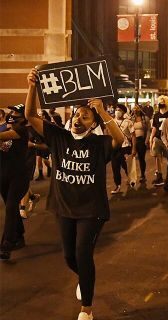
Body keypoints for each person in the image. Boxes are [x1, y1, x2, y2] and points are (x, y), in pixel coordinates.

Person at [25, 68, 125, 320]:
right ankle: (84, 277)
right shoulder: (58, 137)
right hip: (63, 207)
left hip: (91, 210)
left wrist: (101, 111)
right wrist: (32, 86)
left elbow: (120, 138)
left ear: (93, 125)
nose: (80, 118)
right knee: (70, 256)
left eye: (86, 117)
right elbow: (29, 115)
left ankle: (87, 309)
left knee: (82, 253)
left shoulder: (98, 144)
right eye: (78, 114)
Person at [0, 104, 31, 260]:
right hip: (4, 175)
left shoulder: (21, 130)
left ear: (23, 117)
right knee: (10, 208)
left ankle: (7, 245)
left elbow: (3, 137)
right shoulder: (5, 130)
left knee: (12, 206)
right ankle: (19, 236)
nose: (11, 114)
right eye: (11, 111)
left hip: (19, 176)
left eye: (15, 112)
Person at [110, 104, 134, 194]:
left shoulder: (128, 122)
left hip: (125, 147)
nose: (117, 111)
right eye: (116, 110)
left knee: (126, 166)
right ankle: (118, 186)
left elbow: (133, 136)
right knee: (115, 168)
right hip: (114, 148)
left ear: (123, 112)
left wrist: (134, 148)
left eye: (119, 110)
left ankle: (131, 179)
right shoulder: (111, 121)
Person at [149, 96, 168, 186]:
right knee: (157, 157)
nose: (161, 104)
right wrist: (151, 138)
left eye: (163, 102)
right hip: (157, 139)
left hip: (167, 140)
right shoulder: (156, 115)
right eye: (160, 102)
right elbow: (154, 127)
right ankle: (159, 176)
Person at [130, 105, 149, 182]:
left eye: (136, 110)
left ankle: (142, 175)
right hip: (132, 141)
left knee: (141, 159)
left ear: (140, 110)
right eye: (134, 110)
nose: (135, 111)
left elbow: (148, 130)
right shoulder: (131, 119)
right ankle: (131, 176)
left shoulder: (144, 119)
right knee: (131, 158)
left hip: (141, 141)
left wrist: (146, 140)